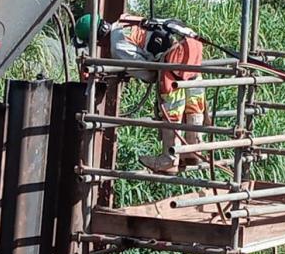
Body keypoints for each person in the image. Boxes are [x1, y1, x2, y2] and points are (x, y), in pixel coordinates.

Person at [75, 15, 207, 174]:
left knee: (172, 109)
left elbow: (147, 74)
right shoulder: (125, 20)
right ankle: (193, 150)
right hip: (193, 46)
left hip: (174, 56)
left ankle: (169, 160)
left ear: (97, 38)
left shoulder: (118, 47)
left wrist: (128, 71)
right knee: (194, 103)